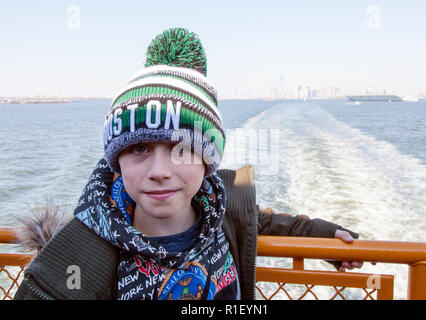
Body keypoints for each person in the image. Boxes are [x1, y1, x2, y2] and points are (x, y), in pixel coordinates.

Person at [14, 28, 363, 300]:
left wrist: (326, 238)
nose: (159, 170)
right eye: (139, 149)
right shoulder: (82, 251)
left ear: (207, 161)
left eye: (181, 149)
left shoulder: (224, 203)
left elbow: (265, 221)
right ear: (116, 161)